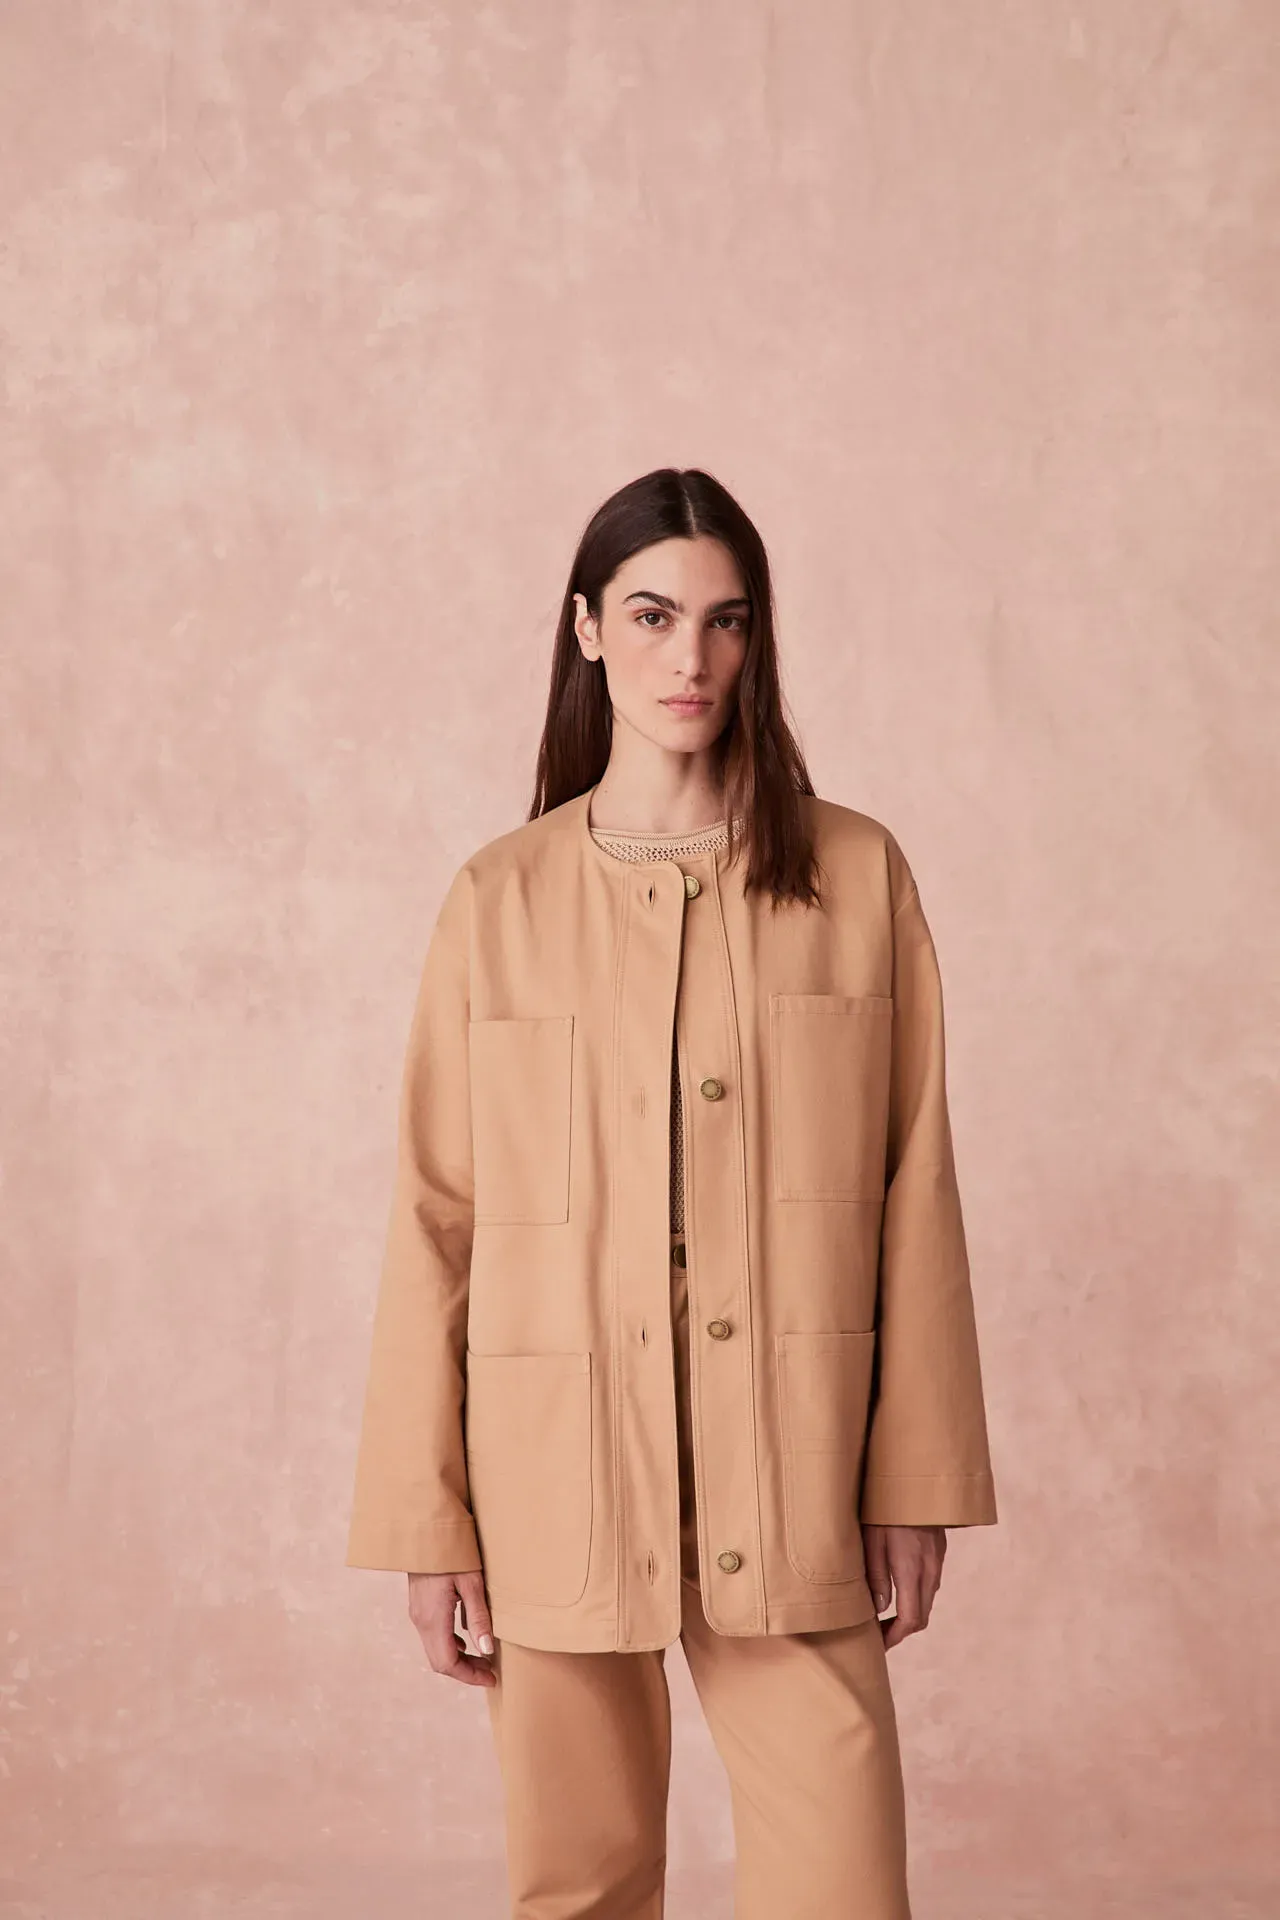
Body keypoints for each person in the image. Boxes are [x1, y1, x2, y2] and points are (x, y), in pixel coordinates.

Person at [346, 467, 998, 1919]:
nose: (689, 657)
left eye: (725, 620)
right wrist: (427, 1523)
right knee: (578, 1888)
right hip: (554, 1468)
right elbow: (437, 1221)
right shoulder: (499, 899)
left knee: (840, 1891)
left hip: (798, 1455)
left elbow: (915, 1188)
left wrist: (915, 1481)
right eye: (650, 616)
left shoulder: (854, 874)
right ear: (586, 629)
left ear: (757, 638)